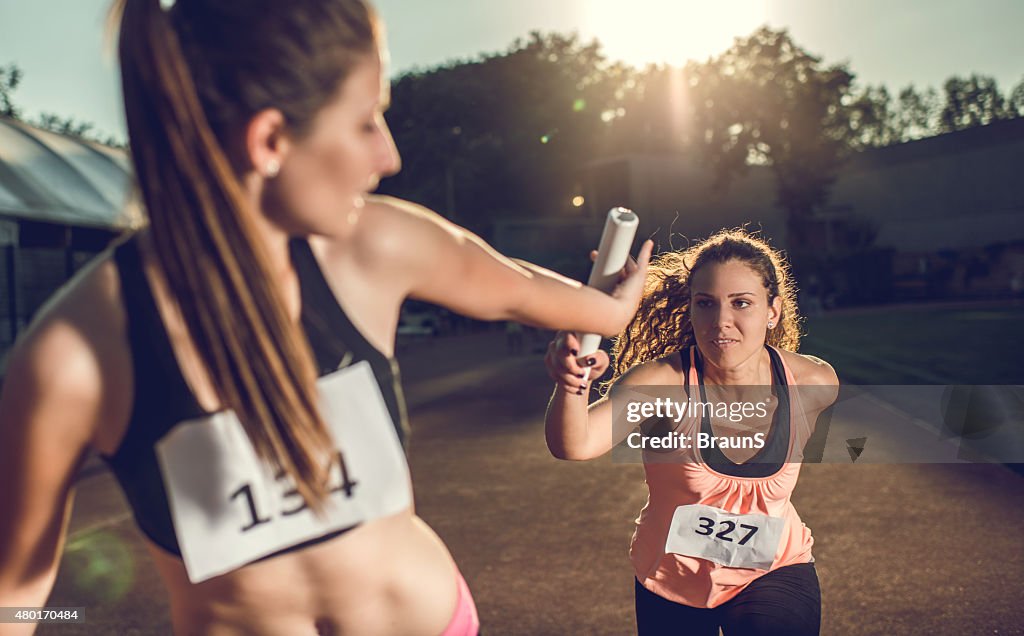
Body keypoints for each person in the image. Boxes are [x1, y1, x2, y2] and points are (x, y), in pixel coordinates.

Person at [0, 1, 654, 634]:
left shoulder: (375, 245)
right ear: (270, 140)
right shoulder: (72, 359)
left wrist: (614, 306)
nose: (389, 157)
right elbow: (15, 595)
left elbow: (519, 291)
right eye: (366, 121)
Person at [544, 229, 839, 635]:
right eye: (706, 304)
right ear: (691, 310)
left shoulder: (813, 384)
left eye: (742, 303)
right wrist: (570, 382)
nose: (722, 322)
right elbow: (573, 445)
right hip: (671, 580)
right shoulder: (661, 385)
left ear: (772, 311)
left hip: (774, 569)